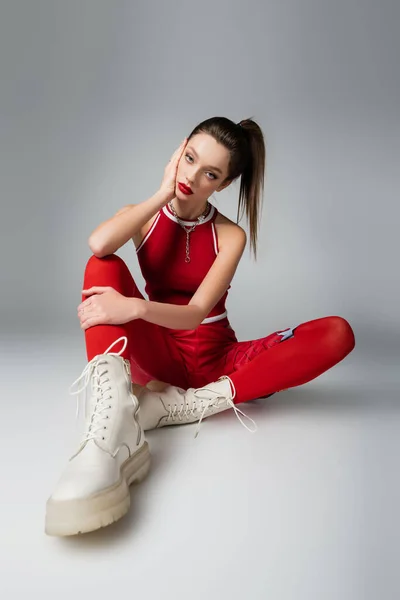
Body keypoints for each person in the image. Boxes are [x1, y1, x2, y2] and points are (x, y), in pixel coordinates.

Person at [45, 116, 356, 537]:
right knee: (102, 264)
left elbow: (195, 313)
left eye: (210, 172)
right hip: (158, 355)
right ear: (179, 150)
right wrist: (161, 192)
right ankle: (108, 429)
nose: (192, 175)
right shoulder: (142, 217)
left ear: (223, 184)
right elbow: (99, 245)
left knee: (336, 332)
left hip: (216, 360)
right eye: (189, 158)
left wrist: (135, 308)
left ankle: (191, 405)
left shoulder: (231, 236)